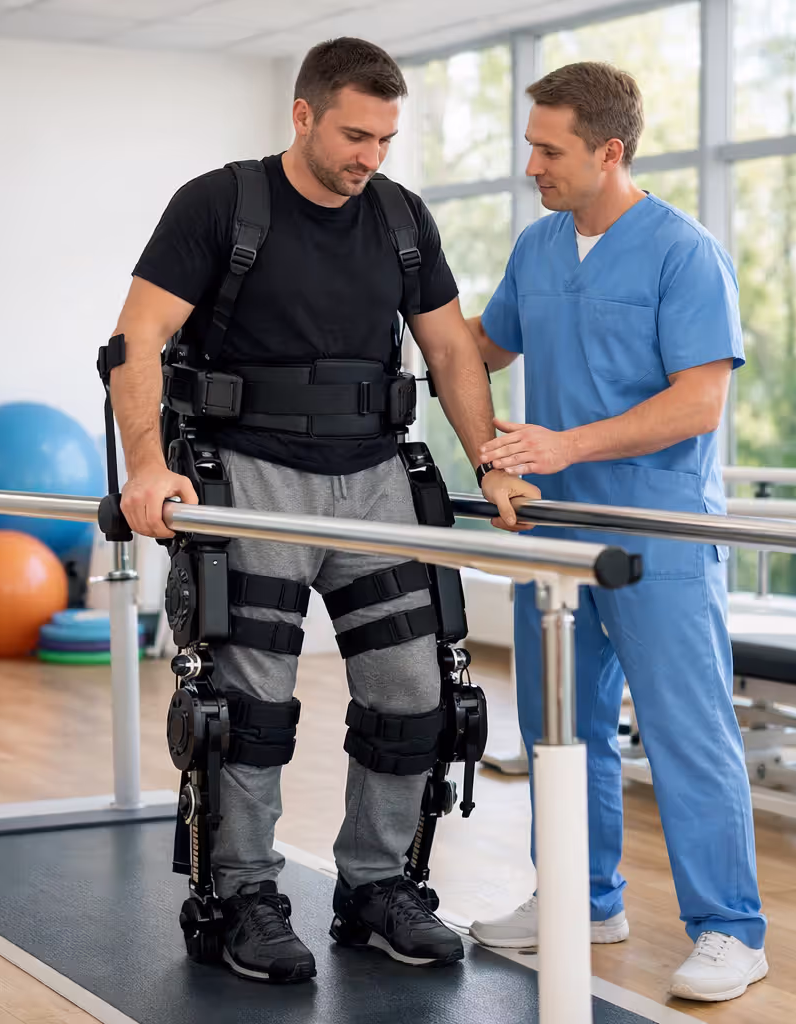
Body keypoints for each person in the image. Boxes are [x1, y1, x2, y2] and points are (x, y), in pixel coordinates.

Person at [105, 37, 537, 985]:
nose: (369, 156)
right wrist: (145, 466)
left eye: (385, 139)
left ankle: (377, 887)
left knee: (413, 694)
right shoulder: (221, 203)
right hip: (251, 476)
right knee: (251, 706)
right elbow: (137, 335)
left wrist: (492, 462)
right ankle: (242, 897)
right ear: (302, 115)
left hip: (376, 479)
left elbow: (451, 351)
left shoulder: (402, 218)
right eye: (353, 135)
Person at [462, 61, 767, 1003]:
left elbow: (698, 402)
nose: (532, 166)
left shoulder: (684, 252)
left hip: (656, 529)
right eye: (530, 147)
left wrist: (562, 445)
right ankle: (580, 901)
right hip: (554, 532)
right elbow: (479, 346)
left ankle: (730, 930)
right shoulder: (538, 248)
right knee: (562, 731)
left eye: (548, 151)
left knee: (686, 731)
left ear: (608, 150)